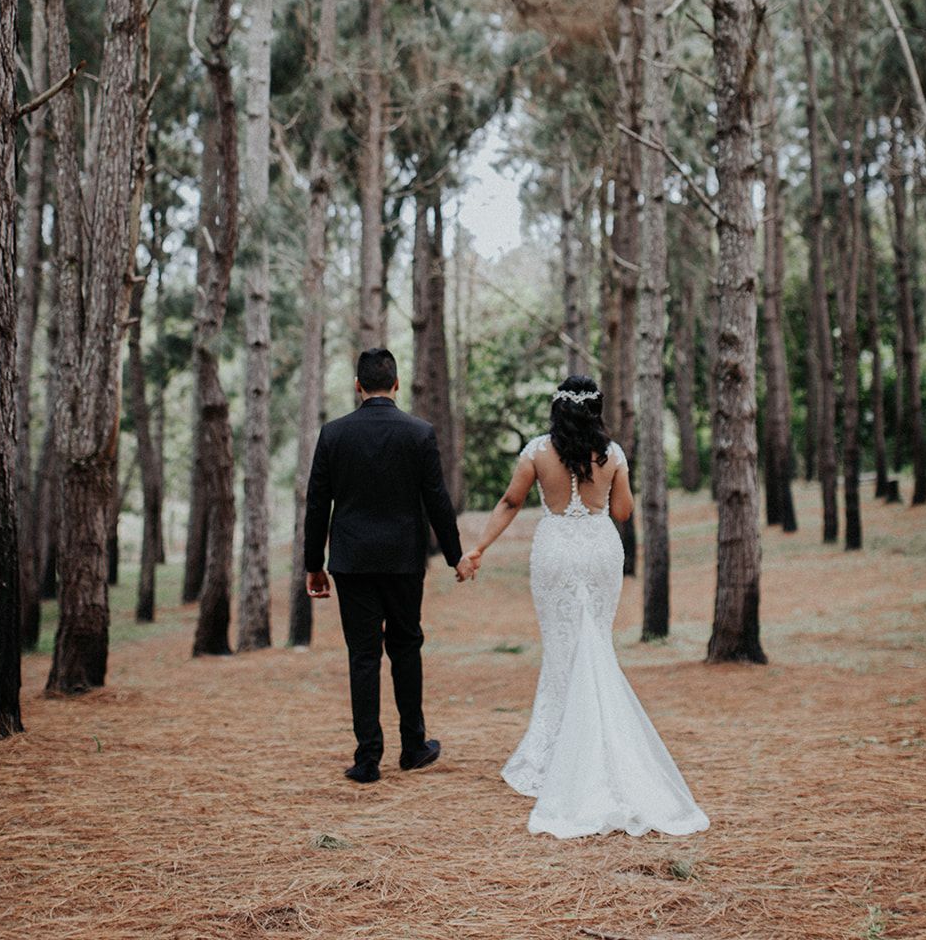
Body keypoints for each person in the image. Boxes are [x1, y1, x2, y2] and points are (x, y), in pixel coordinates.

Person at [459, 375, 709, 840]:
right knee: (598, 644)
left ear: (557, 410)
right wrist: (616, 479)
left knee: (562, 650)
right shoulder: (612, 455)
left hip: (555, 550)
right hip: (598, 551)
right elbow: (623, 512)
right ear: (595, 412)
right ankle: (601, 748)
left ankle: (556, 755)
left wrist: (478, 550)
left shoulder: (536, 452)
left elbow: (511, 502)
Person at [303, 346, 471, 784]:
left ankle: (367, 759)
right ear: (396, 384)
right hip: (402, 559)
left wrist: (313, 563)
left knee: (362, 656)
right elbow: (437, 500)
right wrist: (456, 556)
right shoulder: (418, 433)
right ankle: (413, 746)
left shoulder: (334, 434)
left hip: (352, 560)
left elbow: (318, 503)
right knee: (405, 647)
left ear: (358, 386)